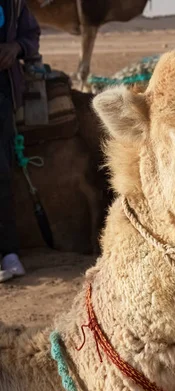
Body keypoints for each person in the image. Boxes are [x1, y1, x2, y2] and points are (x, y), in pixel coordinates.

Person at [0, 0, 41, 283]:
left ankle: (8, 252)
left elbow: (31, 35)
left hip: (3, 91)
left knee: (2, 169)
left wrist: (16, 48)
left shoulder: (14, 4)